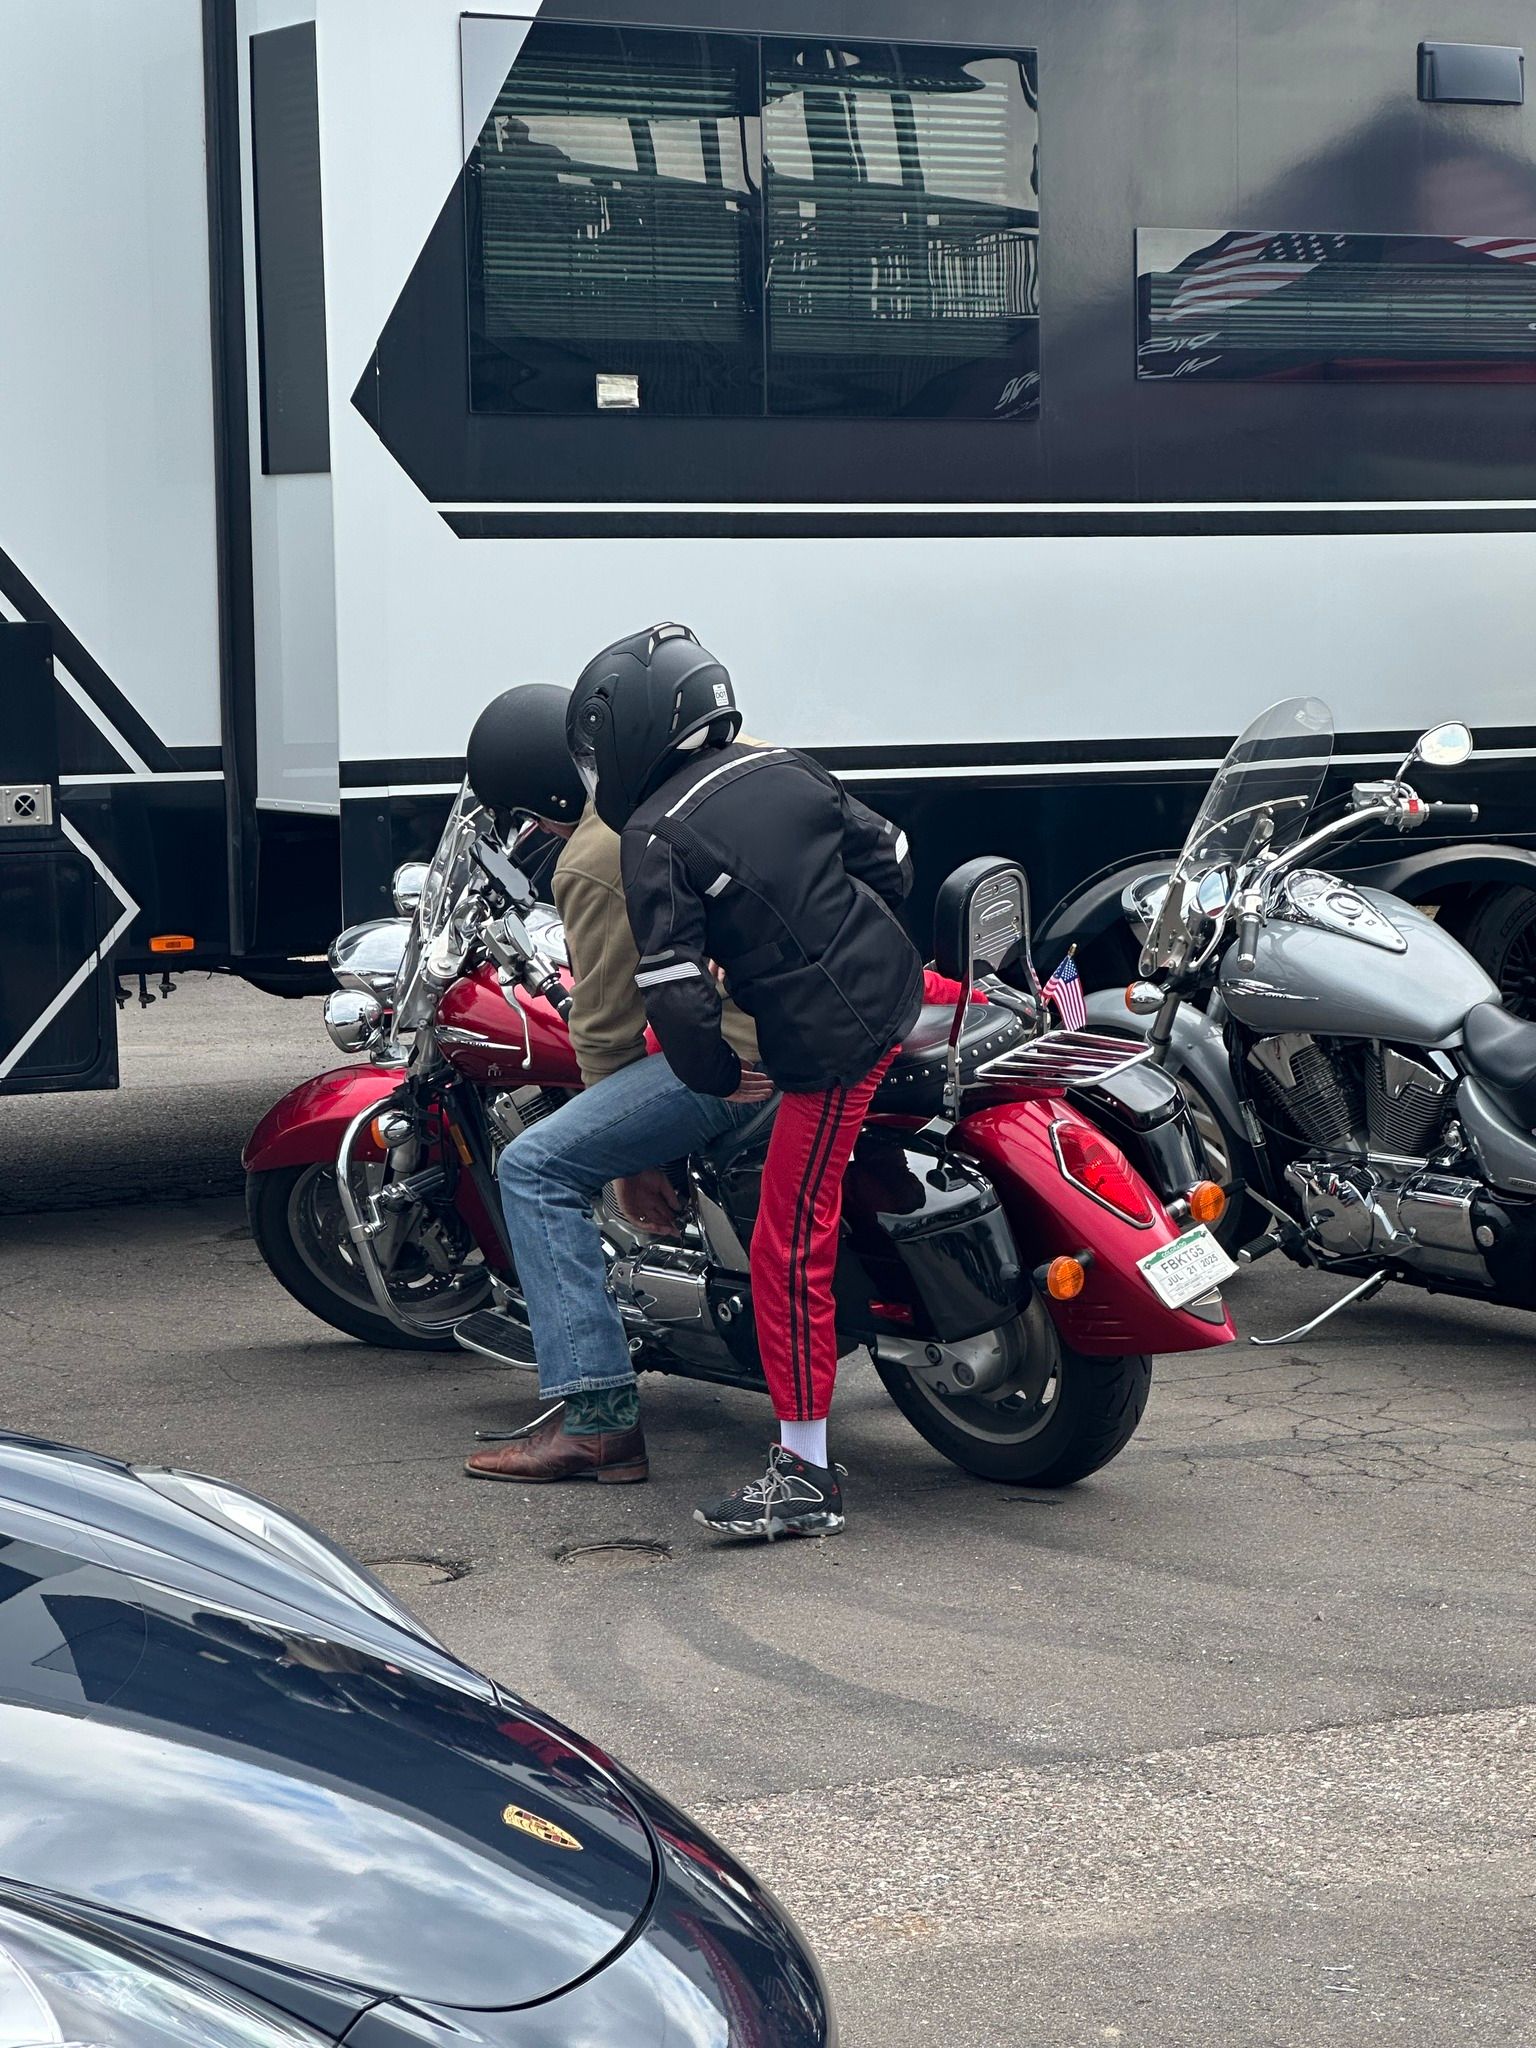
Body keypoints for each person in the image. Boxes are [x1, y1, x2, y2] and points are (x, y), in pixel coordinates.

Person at [567, 623, 924, 1540]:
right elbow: (888, 857)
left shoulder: (652, 835)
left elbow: (675, 994)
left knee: (785, 1246)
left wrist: (721, 1077)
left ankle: (805, 1476)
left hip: (827, 1049)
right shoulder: (782, 767)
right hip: (897, 989)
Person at [459, 683, 771, 1488]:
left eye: (534, 815)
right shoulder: (746, 763)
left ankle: (596, 1420)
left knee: (535, 1167)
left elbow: (605, 1030)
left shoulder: (597, 853)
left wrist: (633, 1165)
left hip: (745, 1058)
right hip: (843, 1014)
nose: (537, 831)